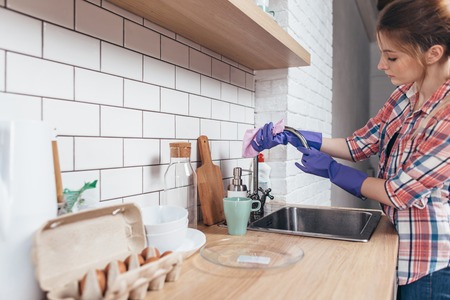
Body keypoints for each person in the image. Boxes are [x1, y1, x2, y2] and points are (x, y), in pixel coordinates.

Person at [251, 0, 450, 298]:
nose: (382, 65)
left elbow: (398, 193)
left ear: (433, 53)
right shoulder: (403, 96)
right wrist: (295, 135)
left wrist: (332, 170)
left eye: (391, 57)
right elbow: (360, 144)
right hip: (399, 245)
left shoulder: (446, 116)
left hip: (427, 264)